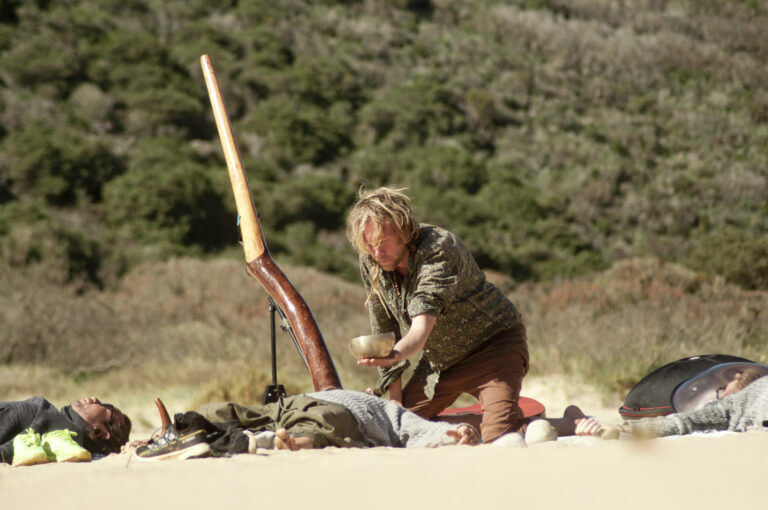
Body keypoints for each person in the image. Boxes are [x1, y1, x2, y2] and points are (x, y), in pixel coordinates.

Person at [345, 187, 529, 443]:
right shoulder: (372, 262)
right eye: (369, 245)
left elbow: (420, 330)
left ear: (404, 230)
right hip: (440, 362)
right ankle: (476, 424)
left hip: (493, 349)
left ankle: (546, 424)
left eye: (383, 242)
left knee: (499, 439)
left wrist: (394, 354)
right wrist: (395, 402)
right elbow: (384, 331)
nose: (377, 253)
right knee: (398, 428)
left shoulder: (439, 247)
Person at [133, 389, 480, 461]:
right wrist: (449, 434)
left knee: (312, 428)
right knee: (228, 412)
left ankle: (186, 430)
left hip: (308, 410)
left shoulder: (385, 407)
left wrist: (450, 434)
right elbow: (413, 428)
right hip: (295, 410)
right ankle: (185, 432)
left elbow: (410, 425)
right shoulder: (379, 405)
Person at [576, 371, 768, 439]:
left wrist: (622, 429)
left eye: (724, 389)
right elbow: (685, 422)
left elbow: (686, 422)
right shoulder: (744, 401)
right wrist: (621, 429)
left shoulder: (746, 399)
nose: (721, 394)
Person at [0, 396, 132, 466]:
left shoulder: (37, 415)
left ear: (103, 432)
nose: (95, 398)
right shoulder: (48, 417)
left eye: (105, 406)